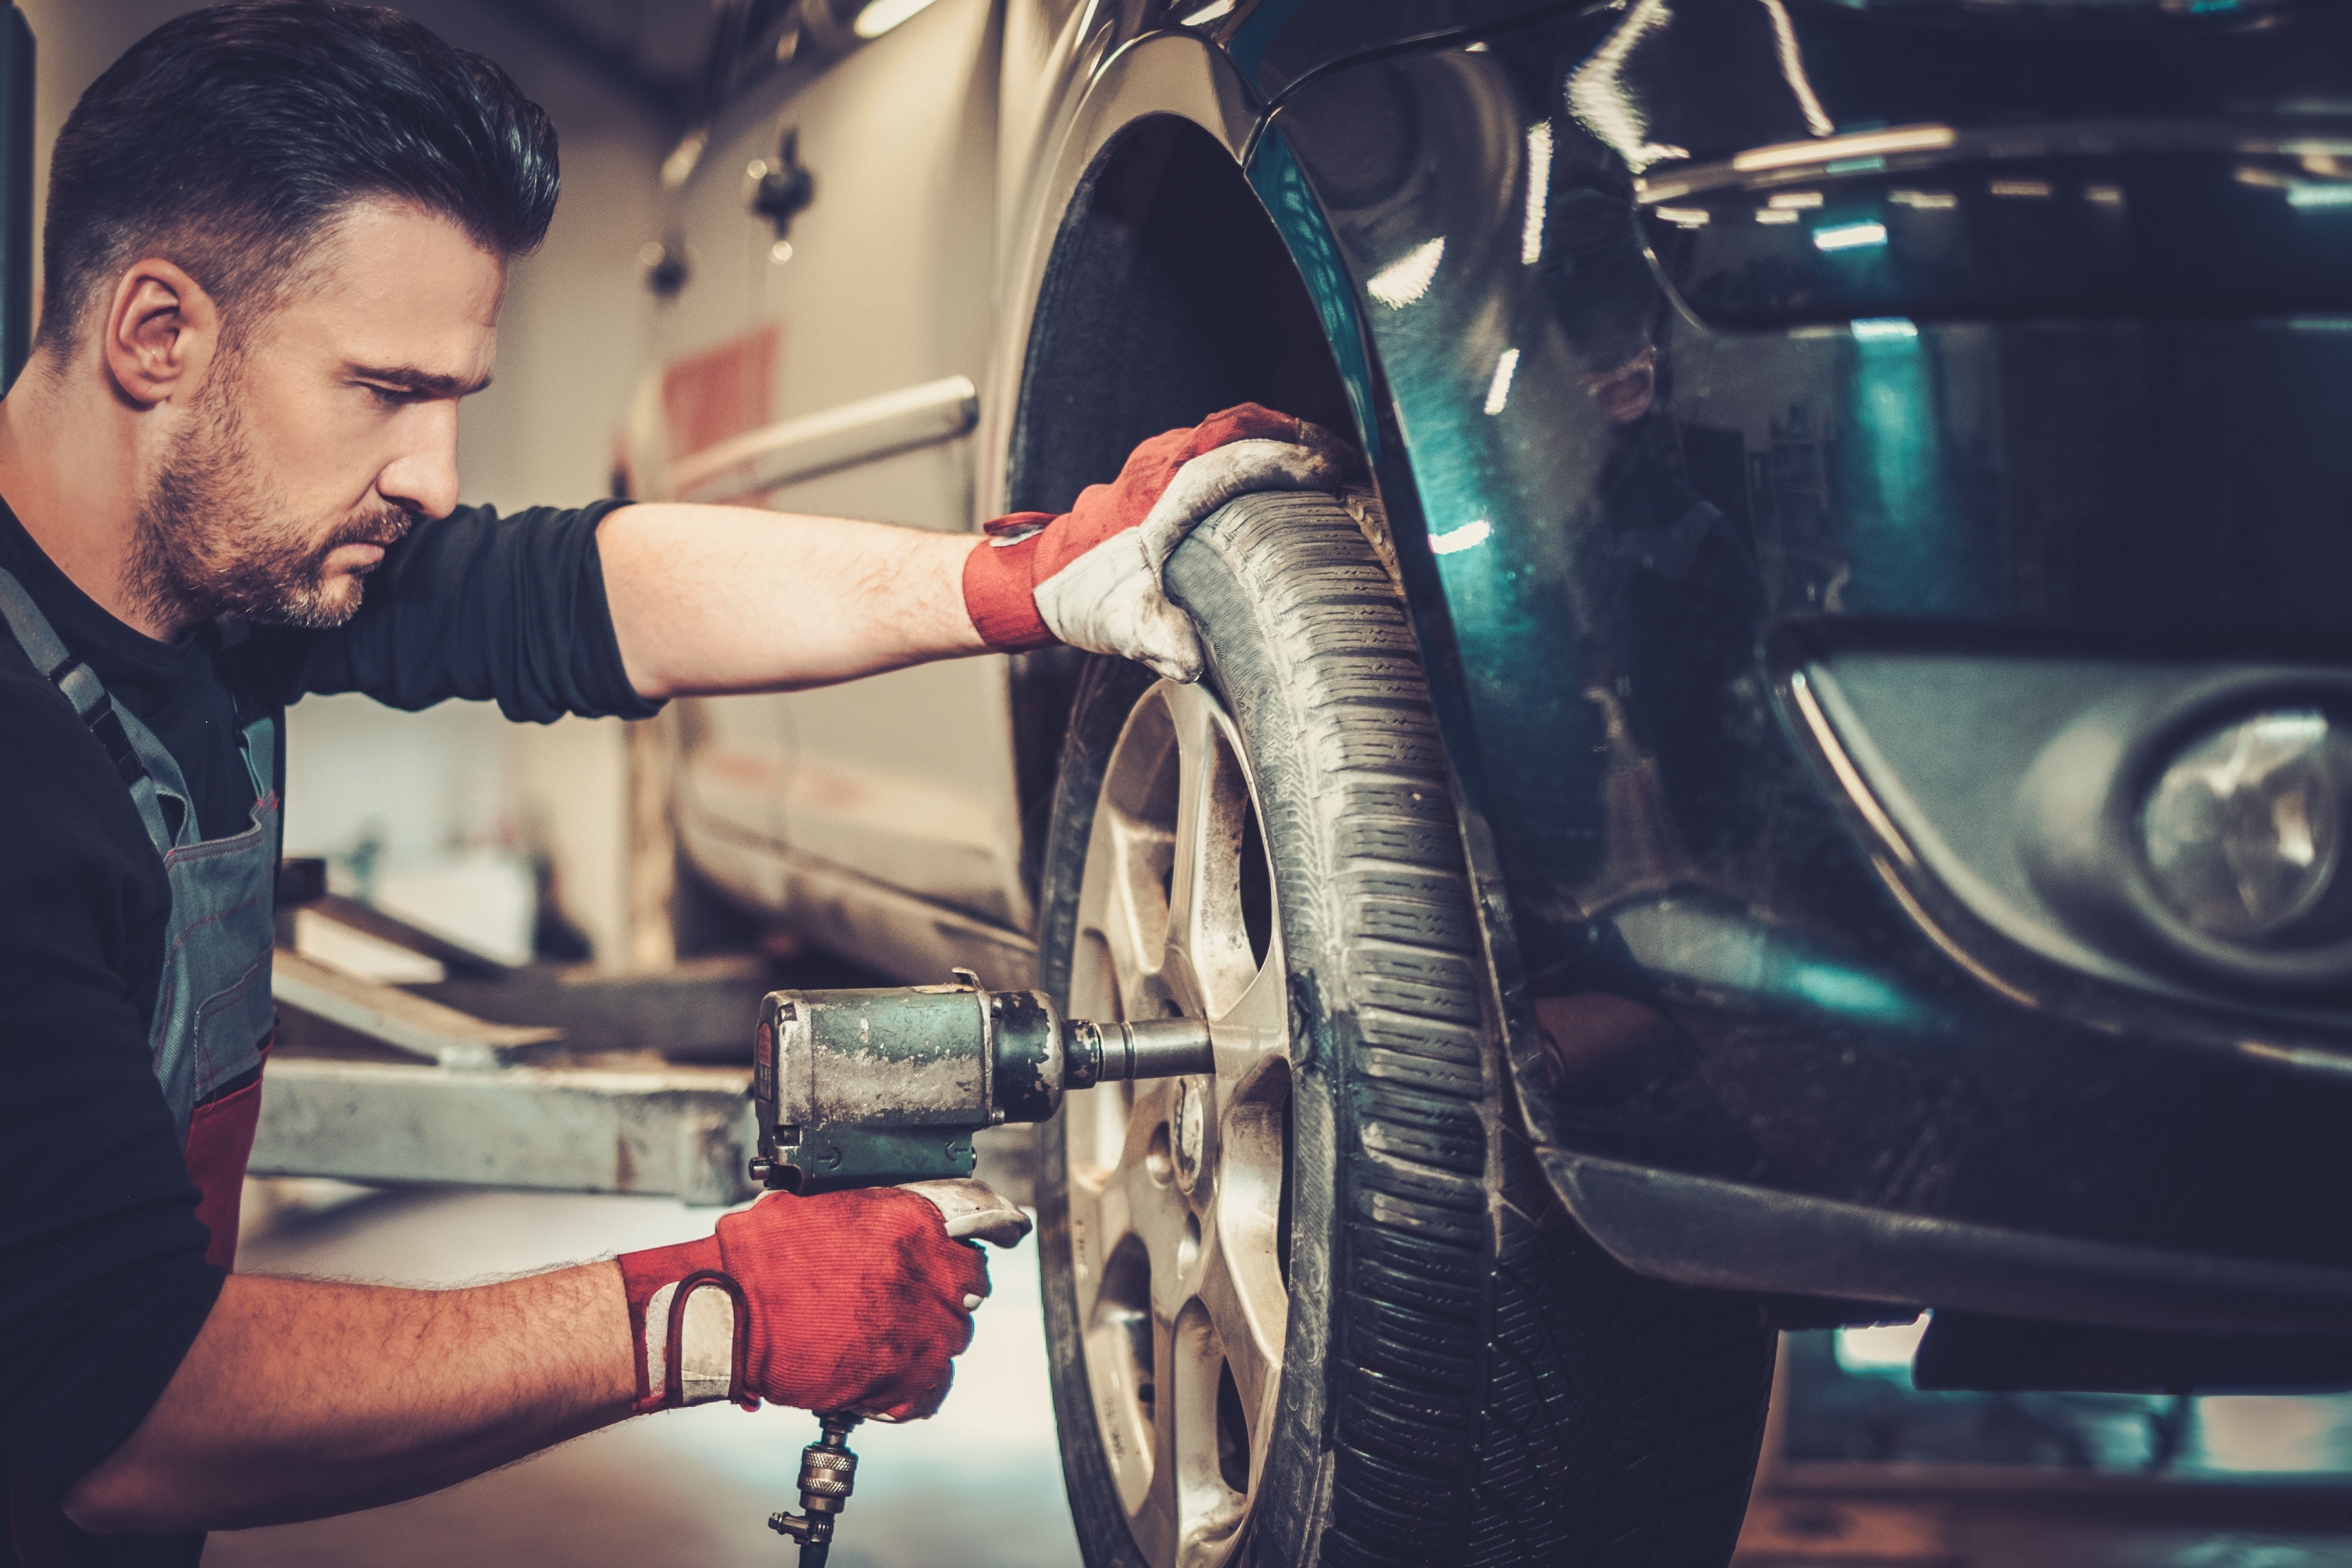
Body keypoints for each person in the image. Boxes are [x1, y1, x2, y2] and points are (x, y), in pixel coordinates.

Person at [0, 5, 1347, 1563]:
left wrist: (1018, 579)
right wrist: (717, 1311)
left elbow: (572, 593)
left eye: (456, 398)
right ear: (155, 336)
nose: (433, 474)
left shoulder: (215, 588)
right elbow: (132, 1420)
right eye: (384, 390)